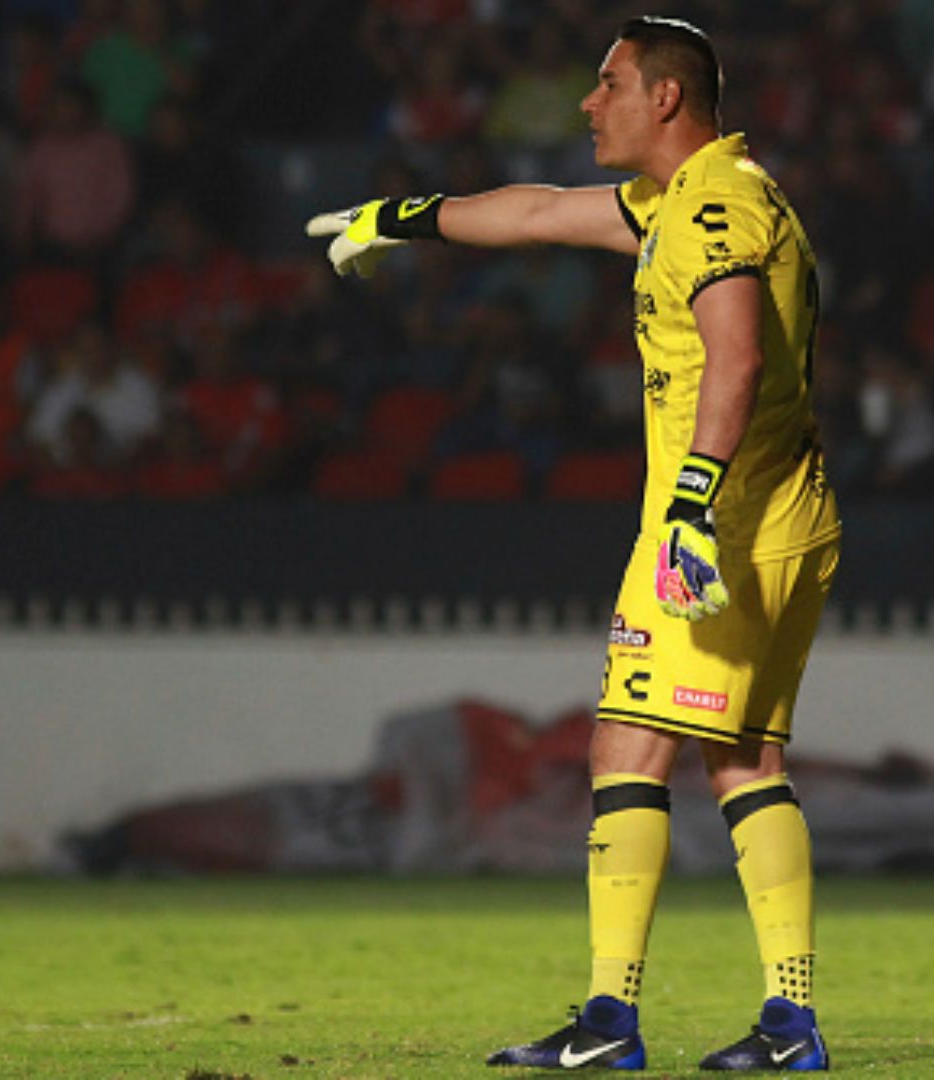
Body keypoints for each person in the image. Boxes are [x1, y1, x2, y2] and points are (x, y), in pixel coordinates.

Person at [307, 16, 838, 1072]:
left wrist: (689, 501)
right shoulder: (690, 197)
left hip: (718, 524)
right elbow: (540, 212)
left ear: (667, 100)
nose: (589, 104)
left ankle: (611, 1022)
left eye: (608, 85)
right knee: (743, 761)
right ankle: (788, 1025)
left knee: (627, 748)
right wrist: (402, 217)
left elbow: (732, 361)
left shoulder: (713, 211)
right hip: (782, 514)